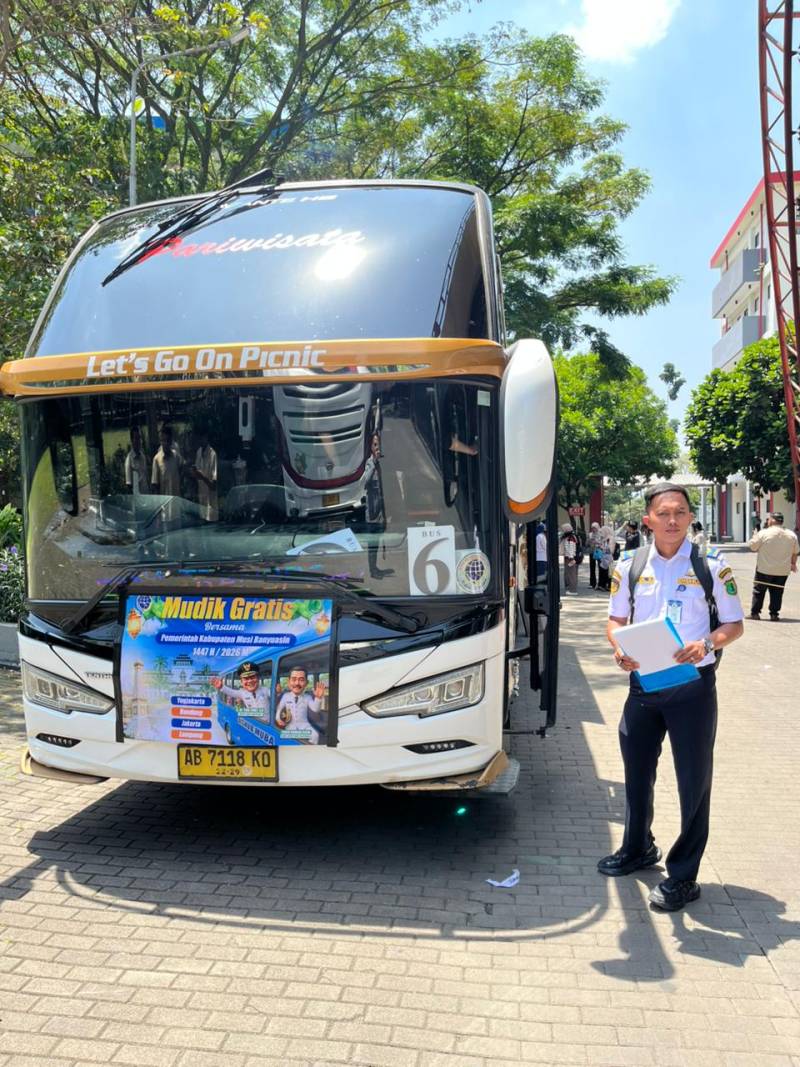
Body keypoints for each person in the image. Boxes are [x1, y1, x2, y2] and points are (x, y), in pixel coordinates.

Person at [598, 482, 744, 912]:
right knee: (636, 772)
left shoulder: (711, 566)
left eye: (680, 512)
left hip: (692, 688)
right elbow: (615, 620)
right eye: (663, 513)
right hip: (644, 685)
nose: (672, 520)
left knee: (693, 782)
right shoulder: (629, 564)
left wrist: (707, 643)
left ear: (690, 517)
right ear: (649, 520)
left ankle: (683, 876)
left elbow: (734, 625)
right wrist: (619, 649)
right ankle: (638, 847)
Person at [748, 512, 798, 621]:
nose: (767, 521)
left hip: (764, 569)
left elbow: (752, 547)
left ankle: (755, 613)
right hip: (782, 570)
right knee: (777, 592)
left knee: (759, 591)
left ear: (772, 520)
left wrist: (754, 535)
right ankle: (774, 614)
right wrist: (793, 564)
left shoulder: (763, 533)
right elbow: (795, 552)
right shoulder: (791, 534)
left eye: (769, 519)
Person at [275, 666, 326, 744]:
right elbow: (279, 709)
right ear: (289, 682)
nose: (297, 683)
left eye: (301, 680)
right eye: (294, 679)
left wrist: (318, 698)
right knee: (284, 737)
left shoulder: (307, 697)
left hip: (304, 725)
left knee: (315, 735)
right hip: (290, 726)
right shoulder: (286, 696)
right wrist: (279, 719)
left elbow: (315, 709)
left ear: (306, 683)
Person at [192, 431, 218, 520]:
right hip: (201, 502)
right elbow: (197, 476)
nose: (200, 440)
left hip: (211, 503)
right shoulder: (198, 452)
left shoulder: (213, 454)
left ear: (206, 438)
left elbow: (213, 486)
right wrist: (194, 473)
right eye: (198, 438)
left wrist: (202, 477)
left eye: (202, 438)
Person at [151, 423, 183, 496]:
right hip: (164, 501)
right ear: (160, 441)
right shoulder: (156, 459)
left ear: (171, 441)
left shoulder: (176, 456)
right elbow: (154, 484)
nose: (165, 443)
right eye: (163, 440)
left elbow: (182, 467)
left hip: (176, 499)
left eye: (167, 440)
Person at [124, 426, 149, 495]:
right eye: (136, 438)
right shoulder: (129, 460)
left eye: (139, 438)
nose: (138, 441)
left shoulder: (143, 456)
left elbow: (146, 477)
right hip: (137, 497)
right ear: (132, 440)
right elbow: (128, 485)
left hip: (146, 495)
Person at [560, 522, 578, 593]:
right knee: (568, 573)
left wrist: (571, 558)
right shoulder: (567, 537)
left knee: (571, 574)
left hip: (570, 558)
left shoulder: (571, 537)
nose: (563, 530)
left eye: (563, 529)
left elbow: (571, 548)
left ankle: (572, 590)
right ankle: (570, 588)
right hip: (567, 557)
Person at [596, 524, 614, 591]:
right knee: (603, 572)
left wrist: (603, 548)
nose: (601, 533)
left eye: (602, 532)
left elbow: (611, 550)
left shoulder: (610, 539)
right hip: (603, 557)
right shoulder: (603, 538)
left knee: (608, 573)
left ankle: (608, 586)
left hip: (608, 558)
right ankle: (602, 585)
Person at [588, 522, 601, 589]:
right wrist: (589, 541)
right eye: (592, 528)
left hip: (599, 551)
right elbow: (587, 543)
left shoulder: (601, 534)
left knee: (600, 567)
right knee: (592, 568)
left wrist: (597, 542)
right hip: (592, 551)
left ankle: (600, 583)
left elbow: (602, 543)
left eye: (595, 528)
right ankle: (592, 583)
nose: (593, 529)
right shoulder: (590, 534)